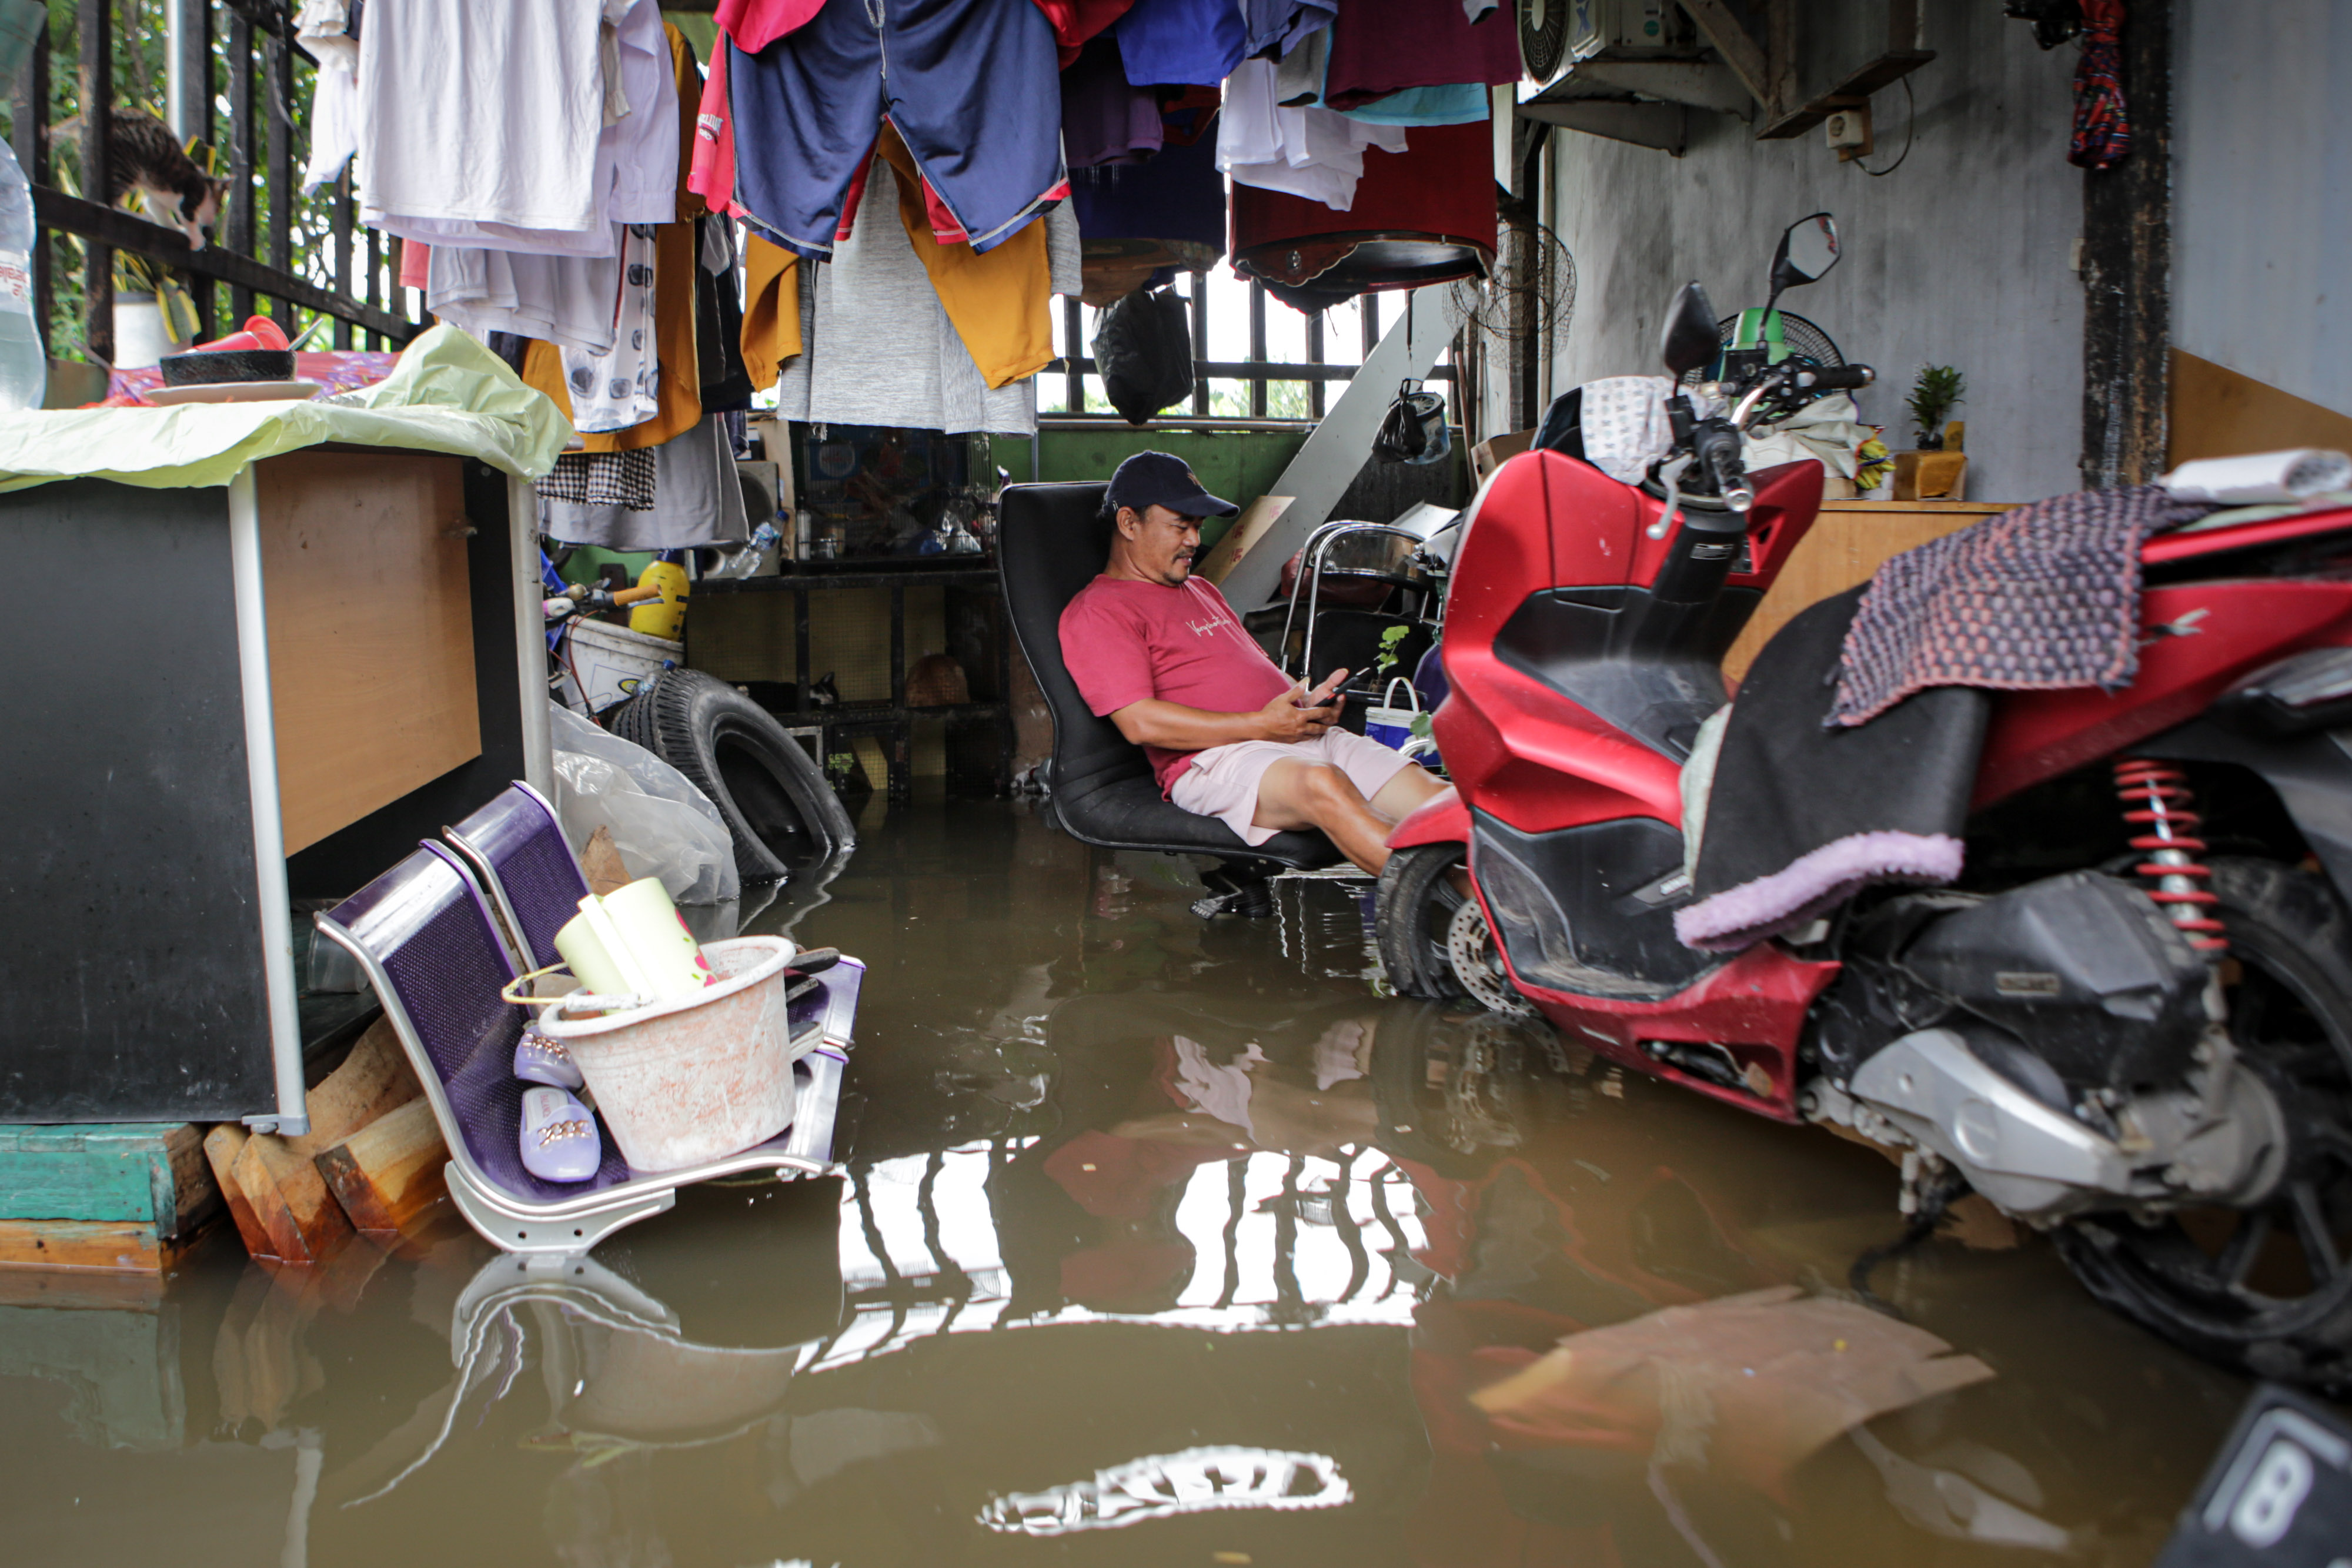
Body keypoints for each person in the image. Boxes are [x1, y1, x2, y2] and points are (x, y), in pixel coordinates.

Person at [1057, 451, 1446, 874]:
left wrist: (1305, 703)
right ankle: (1467, 904)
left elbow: (1253, 669)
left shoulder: (1201, 589)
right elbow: (1141, 724)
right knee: (1322, 782)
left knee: (1440, 800)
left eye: (1198, 527)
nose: (1194, 540)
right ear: (1129, 523)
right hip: (1217, 760)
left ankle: (1489, 896)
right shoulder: (1100, 610)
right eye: (1181, 526)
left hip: (1293, 739)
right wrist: (1262, 726)